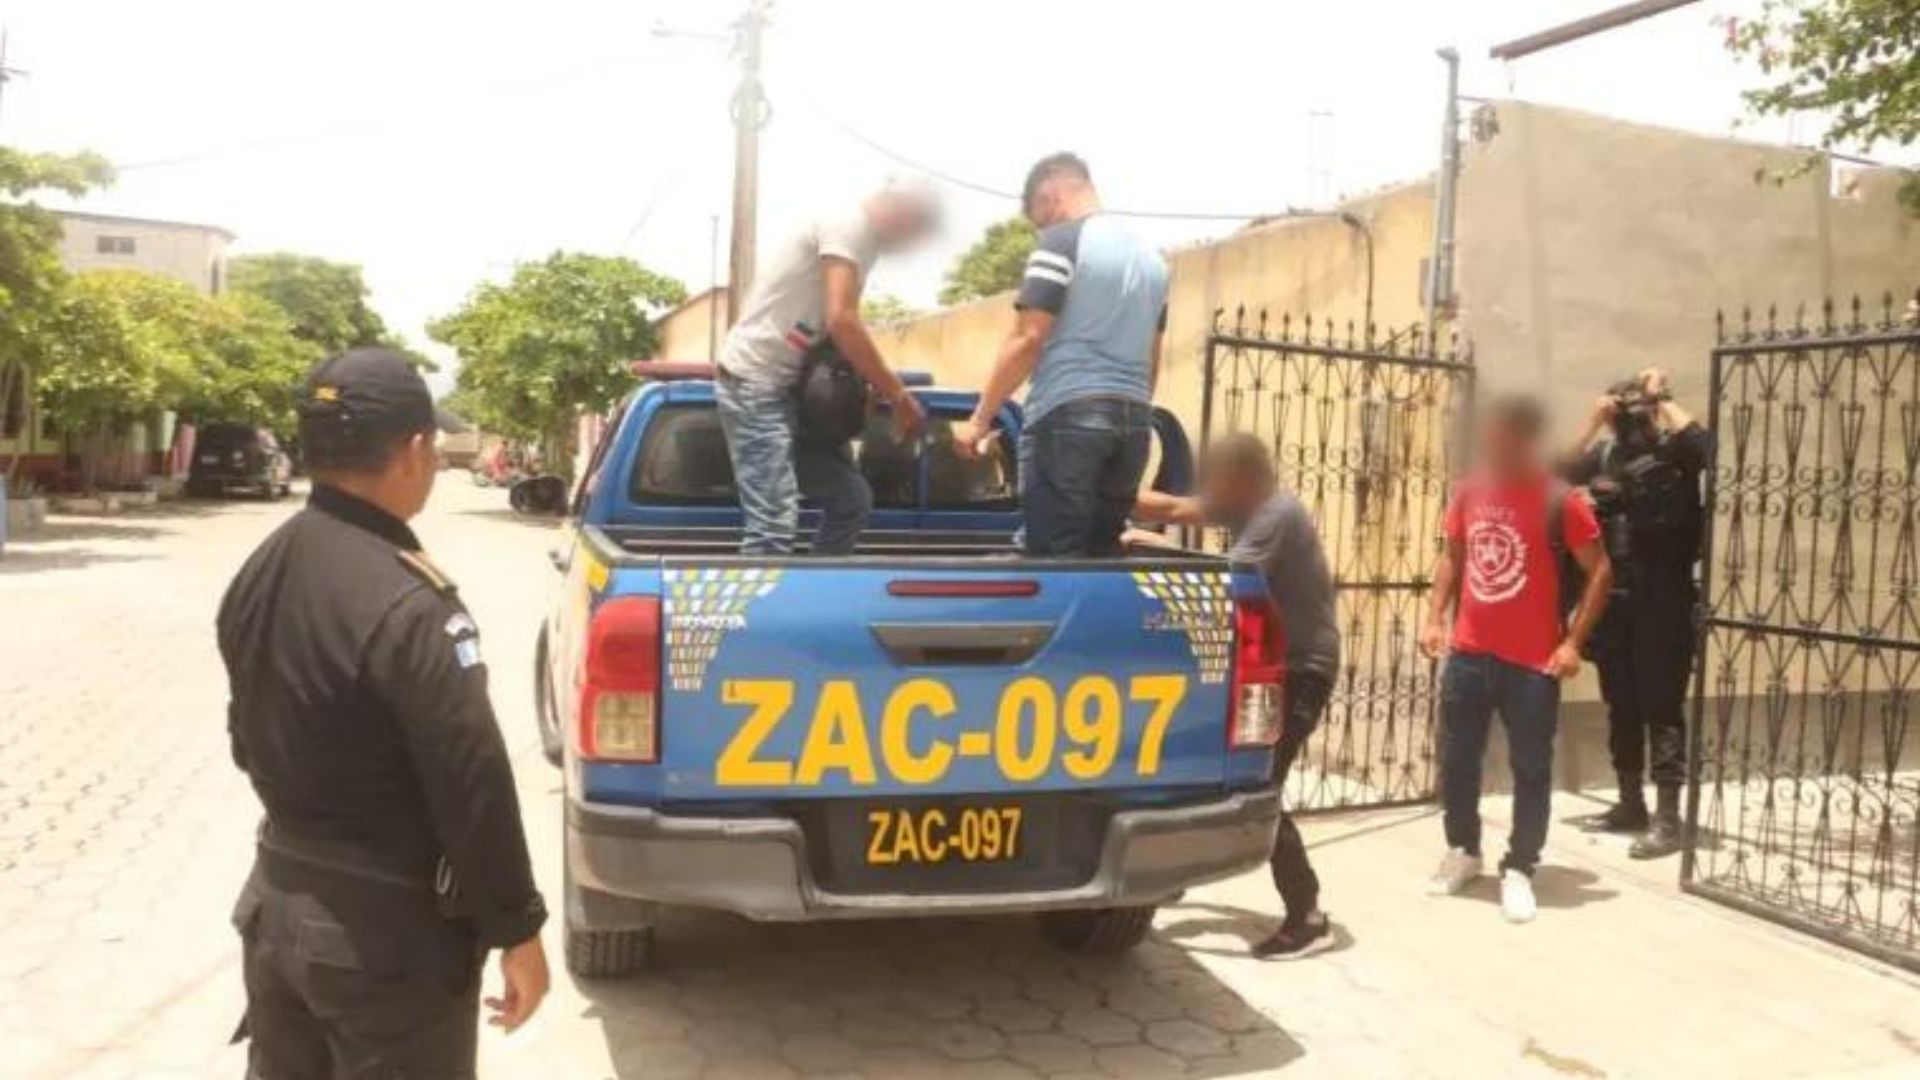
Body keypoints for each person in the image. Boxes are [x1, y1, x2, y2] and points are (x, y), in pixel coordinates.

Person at [219, 347, 549, 1077]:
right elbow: (471, 782)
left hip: (278, 907)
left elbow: (246, 739)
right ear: (415, 449)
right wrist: (517, 928)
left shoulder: (261, 569)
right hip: (383, 943)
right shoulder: (408, 602)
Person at [1134, 434, 1341, 956]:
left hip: (1300, 671)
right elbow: (1178, 506)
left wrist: (1153, 545)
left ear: (1244, 479)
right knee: (1228, 775)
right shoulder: (1251, 504)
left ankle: (1308, 914)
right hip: (1274, 668)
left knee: (1261, 785)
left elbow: (1226, 580)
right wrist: (1113, 497)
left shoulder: (1274, 515)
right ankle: (1173, 870)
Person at [1419, 394, 1612, 923]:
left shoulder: (1558, 501)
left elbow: (1601, 571)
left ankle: (1521, 867)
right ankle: (1464, 851)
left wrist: (1572, 642)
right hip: (1469, 654)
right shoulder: (1469, 491)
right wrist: (1436, 617)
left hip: (1531, 664)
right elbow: (1453, 557)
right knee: (1457, 761)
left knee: (1531, 768)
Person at [955, 153, 1169, 556]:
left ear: (1050, 195)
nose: (1042, 231)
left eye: (1040, 220)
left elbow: (1027, 339)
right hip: (1134, 424)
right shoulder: (1154, 261)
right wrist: (1134, 411)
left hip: (1068, 416)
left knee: (1054, 557)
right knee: (1101, 551)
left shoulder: (1062, 243)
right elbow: (1152, 357)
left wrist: (980, 420)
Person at [717, 178, 939, 554]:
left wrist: (858, 387)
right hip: (755, 379)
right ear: (898, 209)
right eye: (913, 229)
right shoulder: (848, 224)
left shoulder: (866, 242)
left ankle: (811, 595)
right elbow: (843, 320)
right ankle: (765, 613)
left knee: (851, 500)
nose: (909, 244)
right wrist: (898, 396)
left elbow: (832, 332)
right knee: (772, 522)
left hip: (794, 387)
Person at [1563, 367, 1710, 858]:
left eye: (1638, 410)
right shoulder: (1604, 455)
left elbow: (1709, 450)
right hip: (1615, 601)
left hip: (1663, 599)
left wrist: (1662, 396)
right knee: (1620, 705)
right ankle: (1631, 804)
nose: (1632, 420)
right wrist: (1591, 422)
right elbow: (1552, 473)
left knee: (1662, 709)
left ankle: (1669, 821)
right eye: (1625, 410)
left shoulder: (1675, 453)